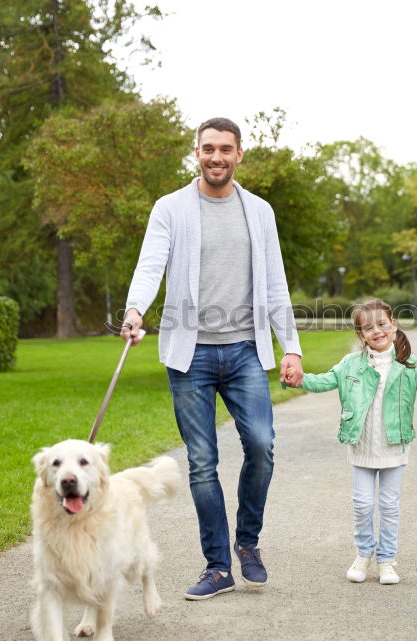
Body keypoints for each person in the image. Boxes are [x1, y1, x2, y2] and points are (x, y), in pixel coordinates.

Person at [120, 117, 303, 600]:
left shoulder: (259, 211)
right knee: (202, 463)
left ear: (239, 154)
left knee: (261, 446)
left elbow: (276, 282)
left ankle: (248, 544)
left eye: (225, 149)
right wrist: (135, 310)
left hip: (245, 351)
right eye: (208, 149)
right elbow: (150, 262)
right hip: (190, 356)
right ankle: (218, 567)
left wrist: (293, 348)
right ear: (195, 152)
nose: (216, 157)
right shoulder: (171, 208)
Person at [286, 299, 417, 584]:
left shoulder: (408, 366)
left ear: (394, 326)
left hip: (393, 446)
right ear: (361, 335)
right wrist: (300, 379)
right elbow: (324, 381)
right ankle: (363, 554)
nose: (377, 331)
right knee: (362, 504)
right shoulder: (351, 364)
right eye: (368, 327)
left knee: (389, 505)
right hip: (361, 446)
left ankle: (386, 560)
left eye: (382, 324)